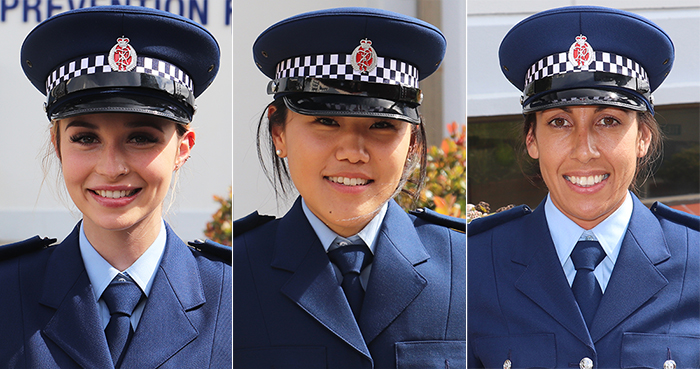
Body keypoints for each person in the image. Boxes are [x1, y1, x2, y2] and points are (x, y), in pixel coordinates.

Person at [468, 6, 700, 368]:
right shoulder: (474, 265)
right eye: (559, 122)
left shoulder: (696, 261)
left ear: (642, 138)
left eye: (608, 121)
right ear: (532, 140)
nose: (584, 150)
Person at [233, 7, 465, 369]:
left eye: (381, 125)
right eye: (326, 121)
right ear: (279, 133)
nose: (353, 153)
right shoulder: (229, 280)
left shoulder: (469, 268)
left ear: (413, 143)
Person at [0, 6, 231, 368]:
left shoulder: (237, 298)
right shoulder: (6, 293)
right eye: (85, 137)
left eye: (140, 137)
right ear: (57, 144)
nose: (111, 168)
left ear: (182, 149)